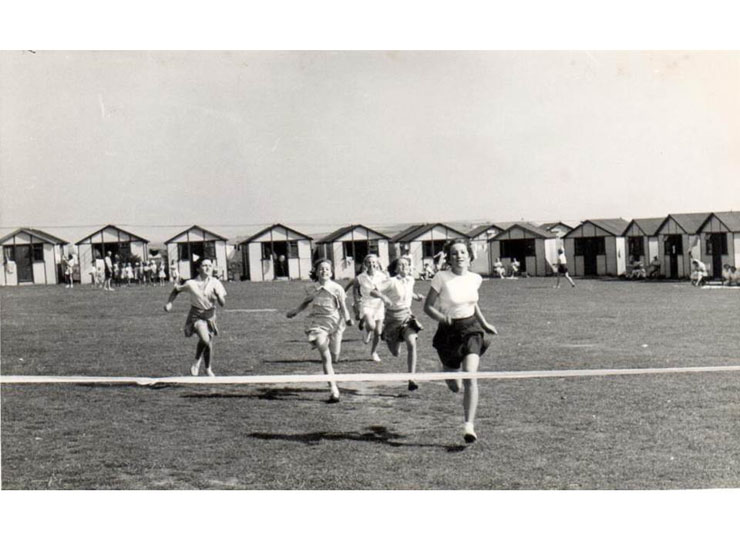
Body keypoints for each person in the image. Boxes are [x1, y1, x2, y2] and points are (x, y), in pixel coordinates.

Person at [424, 239, 498, 444]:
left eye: (463, 252)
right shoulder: (441, 277)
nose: (460, 256)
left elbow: (474, 304)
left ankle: (469, 426)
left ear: (469, 255)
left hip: (471, 330)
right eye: (455, 253)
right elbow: (427, 307)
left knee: (470, 377)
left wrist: (484, 324)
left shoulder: (475, 278)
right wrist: (441, 318)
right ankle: (446, 369)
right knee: (455, 386)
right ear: (449, 257)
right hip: (448, 332)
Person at [287, 258, 353, 403]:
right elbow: (306, 302)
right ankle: (334, 389)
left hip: (335, 324)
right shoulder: (311, 288)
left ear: (331, 272)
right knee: (326, 356)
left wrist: (348, 319)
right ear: (316, 272)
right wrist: (296, 311)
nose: (324, 271)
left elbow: (343, 307)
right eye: (321, 269)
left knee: (335, 356)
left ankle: (332, 379)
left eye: (327, 269)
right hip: (317, 325)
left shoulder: (337, 288)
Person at [370, 255, 425, 391]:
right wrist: (383, 297)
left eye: (406, 265)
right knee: (395, 353)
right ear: (395, 269)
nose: (404, 267)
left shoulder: (410, 280)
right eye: (400, 265)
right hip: (392, 318)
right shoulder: (391, 281)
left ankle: (411, 378)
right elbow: (373, 291)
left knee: (412, 343)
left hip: (406, 315)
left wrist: (416, 296)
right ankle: (391, 338)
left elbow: (408, 292)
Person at [164, 258, 226, 377]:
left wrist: (218, 296)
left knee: (208, 343)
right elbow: (176, 290)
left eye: (210, 265)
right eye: (204, 265)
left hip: (210, 316)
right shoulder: (191, 283)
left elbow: (223, 303)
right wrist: (170, 303)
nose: (208, 268)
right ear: (198, 268)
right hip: (196, 316)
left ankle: (208, 369)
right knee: (205, 339)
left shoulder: (216, 282)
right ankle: (196, 362)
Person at [353, 254, 388, 362]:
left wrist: (387, 299)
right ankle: (367, 330)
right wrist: (356, 301)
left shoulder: (383, 276)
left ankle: (374, 352)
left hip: (379, 305)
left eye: (373, 262)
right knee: (371, 326)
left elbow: (388, 288)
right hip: (366, 304)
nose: (371, 264)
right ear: (365, 264)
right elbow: (355, 289)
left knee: (378, 332)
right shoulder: (360, 277)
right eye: (369, 262)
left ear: (377, 264)